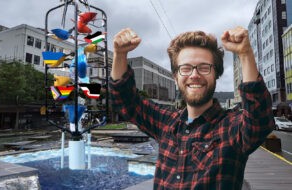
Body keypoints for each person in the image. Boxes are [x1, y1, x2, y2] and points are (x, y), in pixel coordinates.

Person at [109, 27, 275, 189]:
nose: (194, 75)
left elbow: (259, 119)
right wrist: (120, 54)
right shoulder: (166, 121)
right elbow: (126, 102)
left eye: (204, 67)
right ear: (175, 76)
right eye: (186, 68)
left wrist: (245, 54)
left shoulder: (231, 127)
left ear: (216, 74)